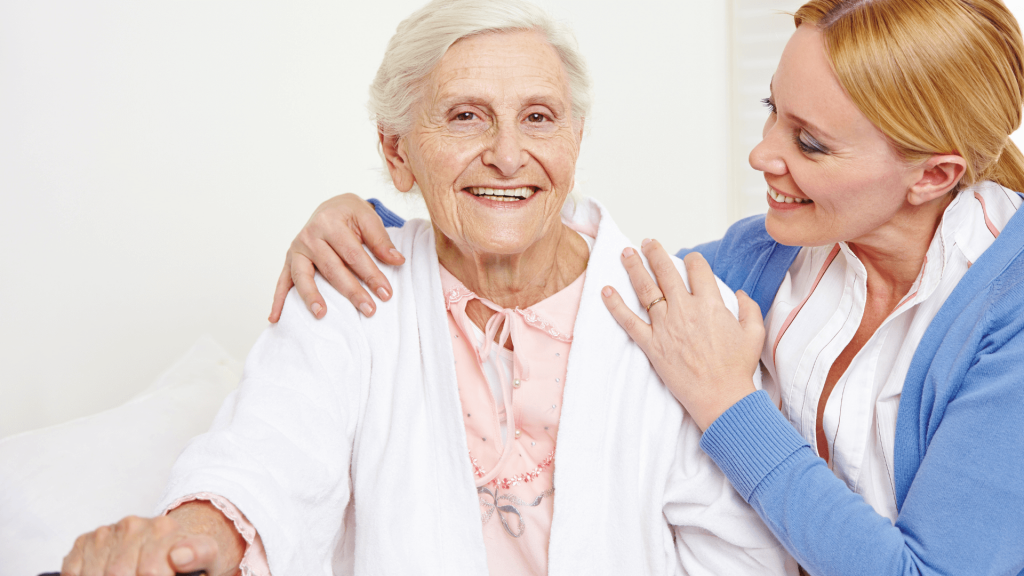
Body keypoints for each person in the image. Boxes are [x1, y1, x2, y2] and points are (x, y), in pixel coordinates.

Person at [276, 0, 1024, 574]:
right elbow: (582, 270)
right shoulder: (770, 258)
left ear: (934, 176)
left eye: (810, 143)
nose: (762, 154)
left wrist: (728, 405)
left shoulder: (1009, 314)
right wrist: (369, 226)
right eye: (773, 111)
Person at [59, 1, 795, 575]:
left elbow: (739, 554)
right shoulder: (347, 291)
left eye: (538, 118)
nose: (507, 154)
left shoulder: (679, 318)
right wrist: (197, 532)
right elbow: (269, 454)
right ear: (397, 151)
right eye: (466, 116)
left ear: (575, 141)